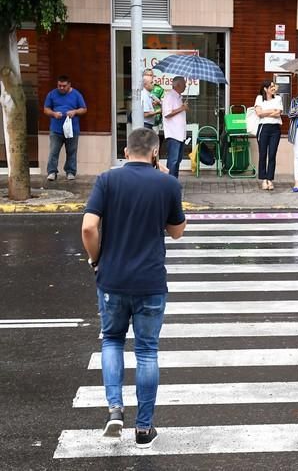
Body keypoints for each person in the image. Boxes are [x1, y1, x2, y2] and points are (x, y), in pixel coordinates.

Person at [81, 127, 186, 449]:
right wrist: (167, 178)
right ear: (155, 153)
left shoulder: (107, 181)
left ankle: (115, 411)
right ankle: (144, 428)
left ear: (126, 152)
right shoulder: (167, 183)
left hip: (112, 279)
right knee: (146, 350)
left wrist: (96, 260)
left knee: (112, 340)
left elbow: (88, 226)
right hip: (150, 282)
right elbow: (177, 231)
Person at [43, 75, 87, 181]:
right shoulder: (52, 94)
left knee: (72, 151)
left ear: (69, 85)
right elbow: (46, 109)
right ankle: (52, 172)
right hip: (56, 129)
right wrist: (53, 114)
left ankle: (70, 172)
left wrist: (75, 112)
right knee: (54, 151)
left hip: (72, 129)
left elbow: (84, 109)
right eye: (59, 86)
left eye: (64, 86)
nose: (61, 88)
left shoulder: (76, 94)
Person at [254, 79, 283, 191]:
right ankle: (263, 180)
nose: (273, 88)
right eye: (271, 87)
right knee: (263, 154)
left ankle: (270, 179)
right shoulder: (259, 98)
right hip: (263, 128)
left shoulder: (278, 98)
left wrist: (266, 112)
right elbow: (259, 113)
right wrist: (272, 110)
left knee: (272, 154)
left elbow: (278, 113)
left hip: (275, 129)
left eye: (274, 86)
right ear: (266, 89)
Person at [162, 76, 189, 178]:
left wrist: (182, 108)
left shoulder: (178, 97)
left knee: (178, 160)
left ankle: (174, 181)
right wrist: (182, 108)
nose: (185, 86)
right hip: (173, 134)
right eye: (184, 84)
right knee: (173, 160)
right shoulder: (169, 96)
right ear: (178, 85)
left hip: (180, 134)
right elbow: (167, 113)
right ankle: (169, 182)